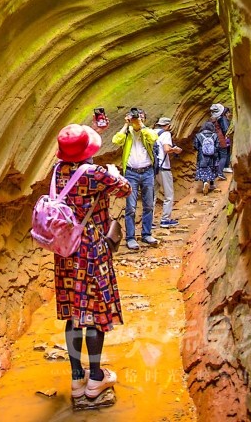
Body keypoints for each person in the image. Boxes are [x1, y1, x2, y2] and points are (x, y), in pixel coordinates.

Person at [53, 123, 131, 401]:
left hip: (66, 251)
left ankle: (77, 379)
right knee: (95, 313)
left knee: (75, 313)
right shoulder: (94, 174)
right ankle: (96, 378)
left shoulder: (57, 171)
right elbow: (125, 189)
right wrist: (112, 173)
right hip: (92, 249)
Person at [112, 108, 159, 250]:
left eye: (140, 116)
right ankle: (130, 238)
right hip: (131, 174)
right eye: (135, 117)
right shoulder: (127, 133)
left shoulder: (147, 132)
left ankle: (146, 234)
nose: (137, 119)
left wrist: (141, 125)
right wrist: (126, 125)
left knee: (149, 205)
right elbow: (116, 140)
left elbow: (153, 138)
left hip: (148, 172)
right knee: (131, 208)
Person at [153, 116, 182, 227]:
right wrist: (176, 149)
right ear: (168, 126)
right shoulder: (165, 134)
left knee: (152, 195)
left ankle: (149, 222)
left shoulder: (151, 133)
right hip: (163, 168)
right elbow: (166, 149)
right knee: (168, 195)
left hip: (152, 168)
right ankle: (165, 219)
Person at [193, 120, 220, 194]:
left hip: (202, 157)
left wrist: (201, 149)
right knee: (212, 169)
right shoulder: (215, 135)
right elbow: (218, 146)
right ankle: (211, 184)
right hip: (213, 157)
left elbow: (195, 146)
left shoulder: (198, 135)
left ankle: (205, 183)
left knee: (204, 170)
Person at [210, 103, 231, 179]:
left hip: (214, 139)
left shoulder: (212, 118)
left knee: (217, 156)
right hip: (221, 139)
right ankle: (220, 172)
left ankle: (215, 172)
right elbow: (225, 129)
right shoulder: (222, 118)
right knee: (223, 155)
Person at [223, 106, 234, 173]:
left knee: (227, 152)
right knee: (226, 152)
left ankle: (225, 166)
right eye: (229, 112)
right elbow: (225, 129)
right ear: (226, 113)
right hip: (225, 138)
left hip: (226, 138)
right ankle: (225, 167)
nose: (230, 114)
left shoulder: (226, 119)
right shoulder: (224, 120)